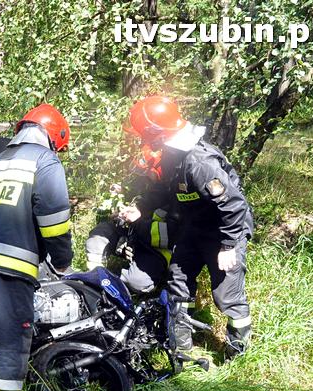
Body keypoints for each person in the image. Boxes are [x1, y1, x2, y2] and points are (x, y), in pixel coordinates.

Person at [121, 95, 253, 358]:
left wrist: (228, 246)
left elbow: (234, 206)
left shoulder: (199, 162)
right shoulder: (172, 153)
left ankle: (237, 352)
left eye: (145, 135)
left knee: (226, 294)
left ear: (157, 133)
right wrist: (142, 207)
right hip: (193, 227)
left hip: (224, 231)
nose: (143, 140)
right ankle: (180, 346)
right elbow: (162, 190)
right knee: (178, 282)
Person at [0, 103, 73, 391]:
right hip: (15, 262)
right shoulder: (45, 162)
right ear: (53, 137)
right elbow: (55, 221)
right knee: (13, 338)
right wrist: (62, 261)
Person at [86, 182, 179, 294]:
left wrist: (135, 226)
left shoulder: (176, 192)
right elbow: (133, 203)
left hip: (156, 251)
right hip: (132, 235)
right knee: (98, 236)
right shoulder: (144, 181)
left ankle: (119, 285)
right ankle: (94, 278)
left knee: (136, 282)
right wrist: (121, 215)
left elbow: (172, 234)